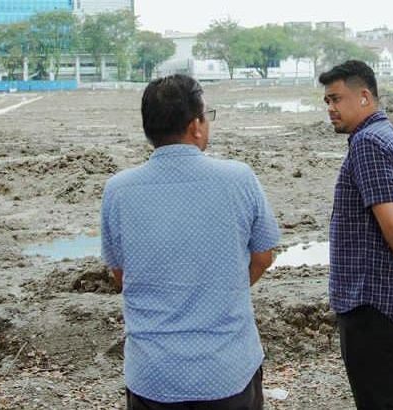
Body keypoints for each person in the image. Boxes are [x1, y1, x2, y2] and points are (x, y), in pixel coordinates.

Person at [101, 74, 281, 410]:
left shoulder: (118, 190)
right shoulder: (239, 179)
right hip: (227, 369)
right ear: (195, 125)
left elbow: (121, 275)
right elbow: (263, 256)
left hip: (152, 374)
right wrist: (226, 290)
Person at [319, 60, 393, 410]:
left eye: (336, 99)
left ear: (364, 97)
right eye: (326, 101)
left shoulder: (368, 143)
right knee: (390, 397)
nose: (330, 109)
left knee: (379, 403)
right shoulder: (382, 134)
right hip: (382, 298)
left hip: (371, 301)